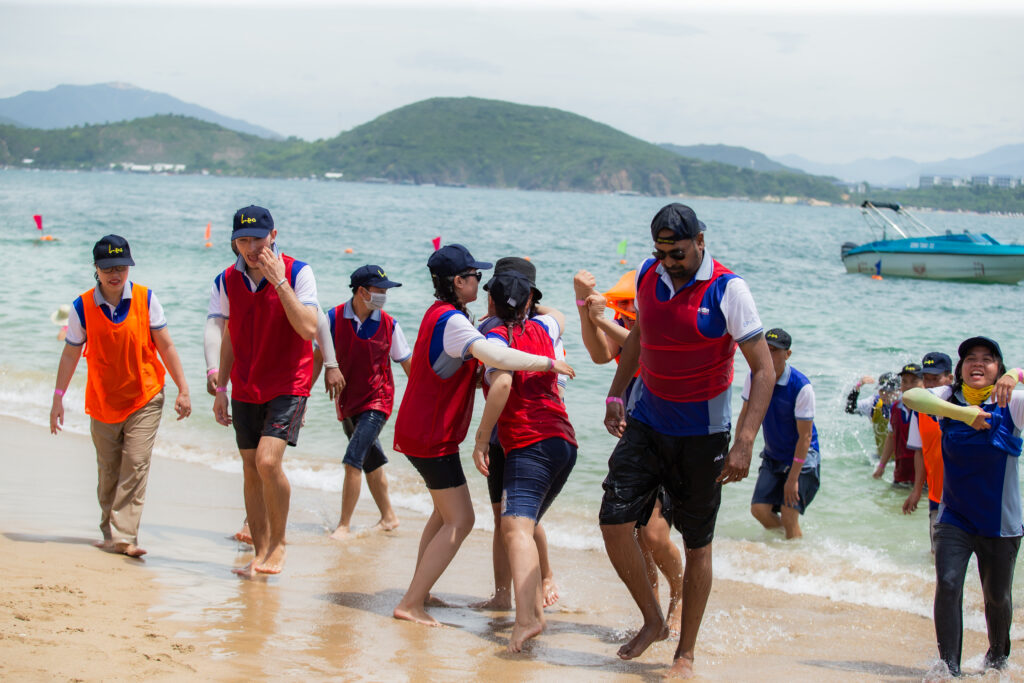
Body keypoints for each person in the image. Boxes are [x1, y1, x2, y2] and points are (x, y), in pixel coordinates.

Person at [599, 203, 774, 678]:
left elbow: (764, 370)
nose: (669, 262)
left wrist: (745, 442)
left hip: (703, 435)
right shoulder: (646, 273)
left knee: (697, 545)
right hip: (647, 422)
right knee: (614, 521)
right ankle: (653, 619)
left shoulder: (728, 289)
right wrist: (616, 393)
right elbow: (640, 335)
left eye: (677, 253)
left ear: (700, 240)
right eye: (661, 253)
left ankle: (686, 654)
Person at [391, 244, 574, 627]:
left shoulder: (443, 314)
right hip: (431, 434)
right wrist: (548, 363)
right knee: (461, 520)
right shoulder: (456, 323)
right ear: (458, 282)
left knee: (444, 515)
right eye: (475, 276)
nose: (480, 282)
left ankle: (420, 592)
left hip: (423, 430)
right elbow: (500, 361)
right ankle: (411, 602)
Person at [49, 234, 191, 557]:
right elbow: (70, 355)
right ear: (96, 268)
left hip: (145, 396)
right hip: (103, 400)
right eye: (108, 267)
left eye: (121, 267)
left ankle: (125, 536)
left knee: (136, 463)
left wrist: (183, 389)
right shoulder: (81, 307)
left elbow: (166, 345)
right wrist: (58, 397)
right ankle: (109, 533)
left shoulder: (146, 299)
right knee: (109, 471)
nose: (115, 274)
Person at [211, 205, 331, 576]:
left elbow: (309, 328)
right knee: (250, 469)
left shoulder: (299, 272)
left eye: (258, 239)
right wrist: (222, 386)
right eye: (243, 240)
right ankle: (260, 552)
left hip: (289, 383)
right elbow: (229, 334)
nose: (251, 248)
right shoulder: (225, 280)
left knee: (267, 461)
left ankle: (279, 546)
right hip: (246, 384)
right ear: (234, 242)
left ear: (273, 236)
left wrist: (279, 281)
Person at [901, 337, 1023, 677]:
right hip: (954, 515)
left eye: (988, 358)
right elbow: (911, 397)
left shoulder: (1011, 402)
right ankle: (949, 669)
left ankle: (996, 660)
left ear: (998, 369)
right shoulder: (948, 397)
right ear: (960, 368)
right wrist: (963, 414)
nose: (978, 363)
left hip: (1000, 522)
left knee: (996, 597)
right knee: (949, 583)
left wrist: (1017, 373)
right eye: (970, 358)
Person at [471, 270, 577, 652]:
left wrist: (481, 438)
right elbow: (560, 315)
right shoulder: (545, 327)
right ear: (530, 301)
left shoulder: (496, 336)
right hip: (564, 443)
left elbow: (502, 383)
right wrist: (532, 306)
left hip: (530, 443)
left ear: (491, 303)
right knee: (522, 527)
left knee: (515, 529)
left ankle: (528, 619)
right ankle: (533, 611)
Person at [573, 267, 683, 633]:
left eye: (633, 304)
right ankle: (652, 613)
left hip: (673, 435)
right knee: (635, 531)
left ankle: (680, 593)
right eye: (625, 304)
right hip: (636, 436)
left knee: (653, 534)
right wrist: (583, 307)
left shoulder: (666, 319)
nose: (630, 310)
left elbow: (647, 349)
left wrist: (600, 319)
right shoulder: (623, 322)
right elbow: (599, 355)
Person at [313, 264, 411, 540]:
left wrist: (425, 404)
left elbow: (408, 366)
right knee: (371, 459)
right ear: (361, 292)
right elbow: (318, 359)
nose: (384, 296)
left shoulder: (390, 325)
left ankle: (343, 525)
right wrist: (302, 398)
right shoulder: (331, 318)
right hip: (347, 401)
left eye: (385, 291)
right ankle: (389, 517)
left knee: (353, 459)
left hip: (378, 401)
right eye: (379, 291)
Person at [745, 328, 820, 540]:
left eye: (775, 350)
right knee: (759, 510)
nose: (769, 355)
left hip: (802, 457)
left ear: (788, 354)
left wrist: (792, 478)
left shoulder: (802, 387)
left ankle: (795, 552)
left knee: (788, 515)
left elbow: (805, 438)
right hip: (774, 455)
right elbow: (745, 415)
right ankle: (784, 548)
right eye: (766, 349)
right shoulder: (754, 376)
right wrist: (742, 448)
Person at [903, 352, 955, 552]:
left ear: (949, 378)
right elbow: (919, 452)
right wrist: (916, 490)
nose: (930, 384)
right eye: (926, 379)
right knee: (938, 553)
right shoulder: (919, 410)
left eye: (936, 379)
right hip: (936, 495)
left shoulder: (961, 404)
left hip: (964, 494)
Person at [874, 363, 924, 485]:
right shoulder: (895, 407)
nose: (908, 386)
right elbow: (891, 437)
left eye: (914, 381)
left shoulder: (928, 409)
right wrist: (881, 466)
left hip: (924, 478)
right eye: (904, 381)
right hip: (901, 474)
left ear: (923, 383)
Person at [846, 372, 901, 456]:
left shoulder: (906, 407)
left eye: (888, 391)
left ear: (899, 390)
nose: (884, 394)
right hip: (880, 459)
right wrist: (858, 386)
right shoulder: (873, 403)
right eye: (882, 390)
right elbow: (850, 409)